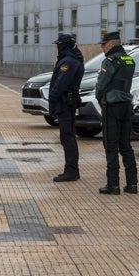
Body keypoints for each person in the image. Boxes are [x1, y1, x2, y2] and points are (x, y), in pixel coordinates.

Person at [95, 31, 138, 194]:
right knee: (126, 145)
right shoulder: (129, 59)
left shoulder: (110, 61)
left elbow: (101, 84)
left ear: (112, 43)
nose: (102, 48)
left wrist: (100, 98)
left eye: (104, 44)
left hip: (112, 106)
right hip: (126, 105)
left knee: (111, 145)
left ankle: (113, 185)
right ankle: (132, 184)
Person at [49, 33, 85, 182]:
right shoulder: (73, 59)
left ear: (64, 45)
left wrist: (52, 98)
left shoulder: (68, 62)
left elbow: (60, 84)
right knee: (68, 137)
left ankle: (71, 170)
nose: (57, 47)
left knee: (67, 137)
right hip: (68, 103)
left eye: (59, 44)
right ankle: (72, 169)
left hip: (65, 104)